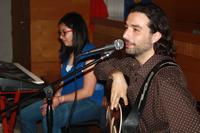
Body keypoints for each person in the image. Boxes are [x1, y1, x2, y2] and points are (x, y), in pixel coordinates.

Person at [94, 3, 200, 132]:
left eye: (135, 29)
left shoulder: (165, 80)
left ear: (155, 36)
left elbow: (192, 129)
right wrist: (115, 74)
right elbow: (99, 67)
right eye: (126, 27)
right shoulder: (131, 64)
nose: (125, 35)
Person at [19, 12, 106, 133]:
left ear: (76, 30)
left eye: (64, 32)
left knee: (51, 119)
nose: (61, 36)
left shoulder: (90, 53)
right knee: (25, 115)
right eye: (60, 33)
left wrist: (59, 100)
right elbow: (64, 82)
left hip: (90, 102)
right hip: (66, 98)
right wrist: (54, 98)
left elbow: (88, 91)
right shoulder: (67, 53)